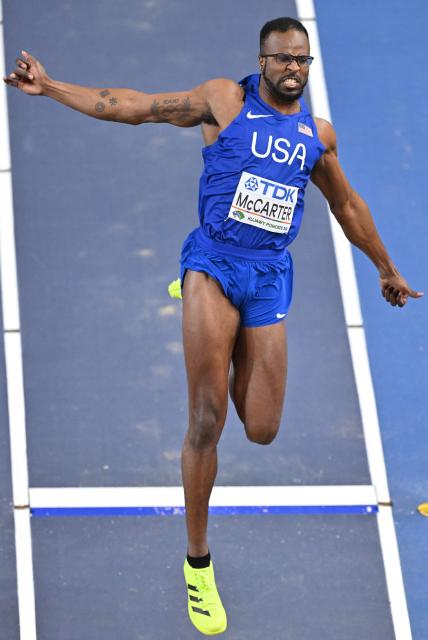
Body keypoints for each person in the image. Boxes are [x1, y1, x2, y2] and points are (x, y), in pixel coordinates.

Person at [4, 16, 423, 636]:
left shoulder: (317, 136)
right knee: (207, 417)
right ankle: (197, 564)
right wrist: (54, 86)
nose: (293, 68)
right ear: (262, 62)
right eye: (283, 59)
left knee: (261, 428)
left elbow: (348, 206)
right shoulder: (223, 102)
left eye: (302, 60)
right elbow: (135, 107)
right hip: (214, 264)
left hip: (270, 276)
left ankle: (219, 335)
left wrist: (386, 268)